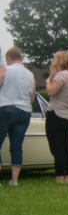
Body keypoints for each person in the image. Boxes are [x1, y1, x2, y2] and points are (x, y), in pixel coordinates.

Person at [0, 47, 37, 186]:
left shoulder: (5, 69)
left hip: (6, 108)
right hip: (24, 112)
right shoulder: (30, 75)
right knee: (16, 146)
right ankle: (14, 180)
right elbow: (32, 98)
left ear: (9, 57)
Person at [45, 51, 68, 184]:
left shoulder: (61, 75)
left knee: (57, 148)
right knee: (66, 147)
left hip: (56, 114)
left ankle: (59, 177)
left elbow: (51, 92)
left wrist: (48, 81)